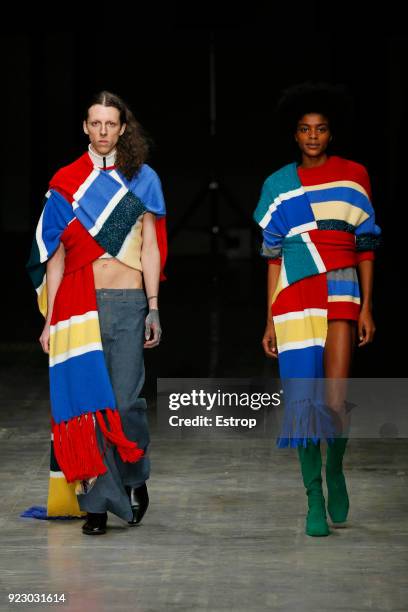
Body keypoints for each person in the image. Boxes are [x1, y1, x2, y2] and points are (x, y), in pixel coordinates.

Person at [25, 90, 167, 535]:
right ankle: (98, 505)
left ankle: (134, 475)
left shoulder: (143, 179)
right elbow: (56, 256)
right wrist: (50, 320)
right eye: (96, 124)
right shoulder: (67, 181)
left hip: (129, 303)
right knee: (90, 405)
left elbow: (150, 246)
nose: (103, 132)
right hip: (78, 306)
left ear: (123, 128)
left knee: (125, 403)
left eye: (112, 124)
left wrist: (155, 307)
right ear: (85, 127)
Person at [253, 82, 381, 537]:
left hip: (342, 289)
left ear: (331, 134)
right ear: (295, 135)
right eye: (305, 129)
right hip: (294, 296)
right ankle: (312, 498)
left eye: (321, 129)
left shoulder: (354, 176)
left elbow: (366, 243)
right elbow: (272, 257)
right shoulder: (277, 184)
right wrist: (269, 317)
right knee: (305, 400)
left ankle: (336, 469)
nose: (313, 137)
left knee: (333, 399)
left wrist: (367, 307)